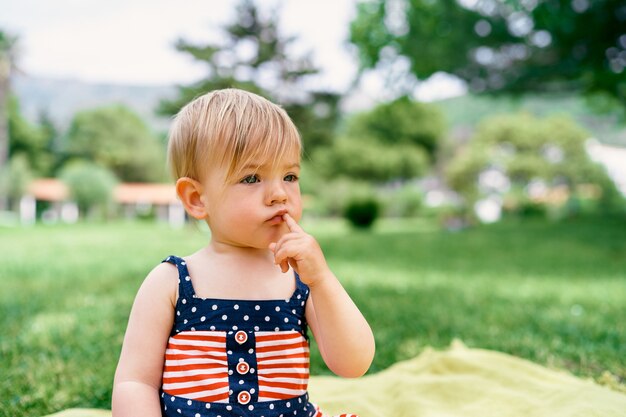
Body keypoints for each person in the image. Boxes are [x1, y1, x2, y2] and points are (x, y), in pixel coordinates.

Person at [112, 88, 375, 417]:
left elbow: (353, 363)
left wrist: (322, 280)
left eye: (290, 176)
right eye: (252, 178)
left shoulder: (300, 280)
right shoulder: (172, 282)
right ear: (196, 198)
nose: (279, 193)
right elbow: (135, 382)